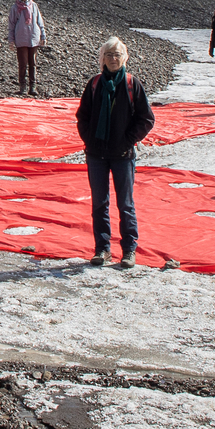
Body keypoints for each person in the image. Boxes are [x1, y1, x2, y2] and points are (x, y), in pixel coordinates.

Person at [74, 36, 154, 267]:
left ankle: (129, 250)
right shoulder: (95, 84)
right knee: (99, 203)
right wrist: (89, 140)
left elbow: (146, 119)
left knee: (125, 204)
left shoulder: (131, 84)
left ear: (124, 58)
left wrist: (128, 141)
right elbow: (83, 117)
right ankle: (102, 249)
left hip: (122, 156)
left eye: (117, 55)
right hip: (96, 154)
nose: (113, 59)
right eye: (108, 55)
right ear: (102, 59)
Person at [8, 0, 46, 96]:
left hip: (33, 38)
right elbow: (11, 25)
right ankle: (23, 86)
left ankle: (33, 86)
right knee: (23, 63)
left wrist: (43, 36)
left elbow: (40, 22)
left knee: (33, 63)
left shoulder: (34, 6)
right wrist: (11, 40)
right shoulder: (15, 8)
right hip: (21, 39)